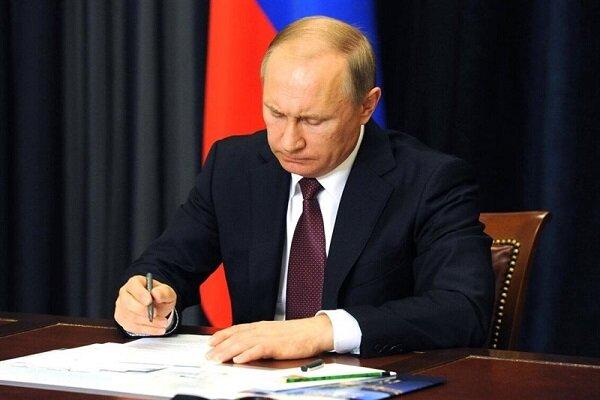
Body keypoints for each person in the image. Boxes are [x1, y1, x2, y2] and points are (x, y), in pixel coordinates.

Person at [114, 16, 494, 363]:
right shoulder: (235, 165)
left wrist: (322, 331)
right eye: (276, 114)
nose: (288, 142)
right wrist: (147, 297)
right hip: (250, 383)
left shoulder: (429, 180)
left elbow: (463, 309)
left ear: (366, 106)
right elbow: (168, 265)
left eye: (313, 121)